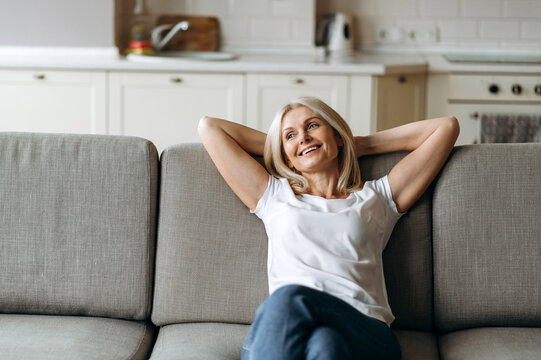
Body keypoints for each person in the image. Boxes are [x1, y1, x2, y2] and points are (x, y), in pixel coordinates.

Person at [198, 97, 459, 360]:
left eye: (312, 126)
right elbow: (209, 127)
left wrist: (357, 143)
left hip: (363, 328)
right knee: (325, 344)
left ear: (337, 134)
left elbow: (446, 128)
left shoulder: (376, 197)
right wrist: (288, 146)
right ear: (285, 157)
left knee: (289, 299)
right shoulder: (274, 197)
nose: (303, 137)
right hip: (290, 329)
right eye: (290, 135)